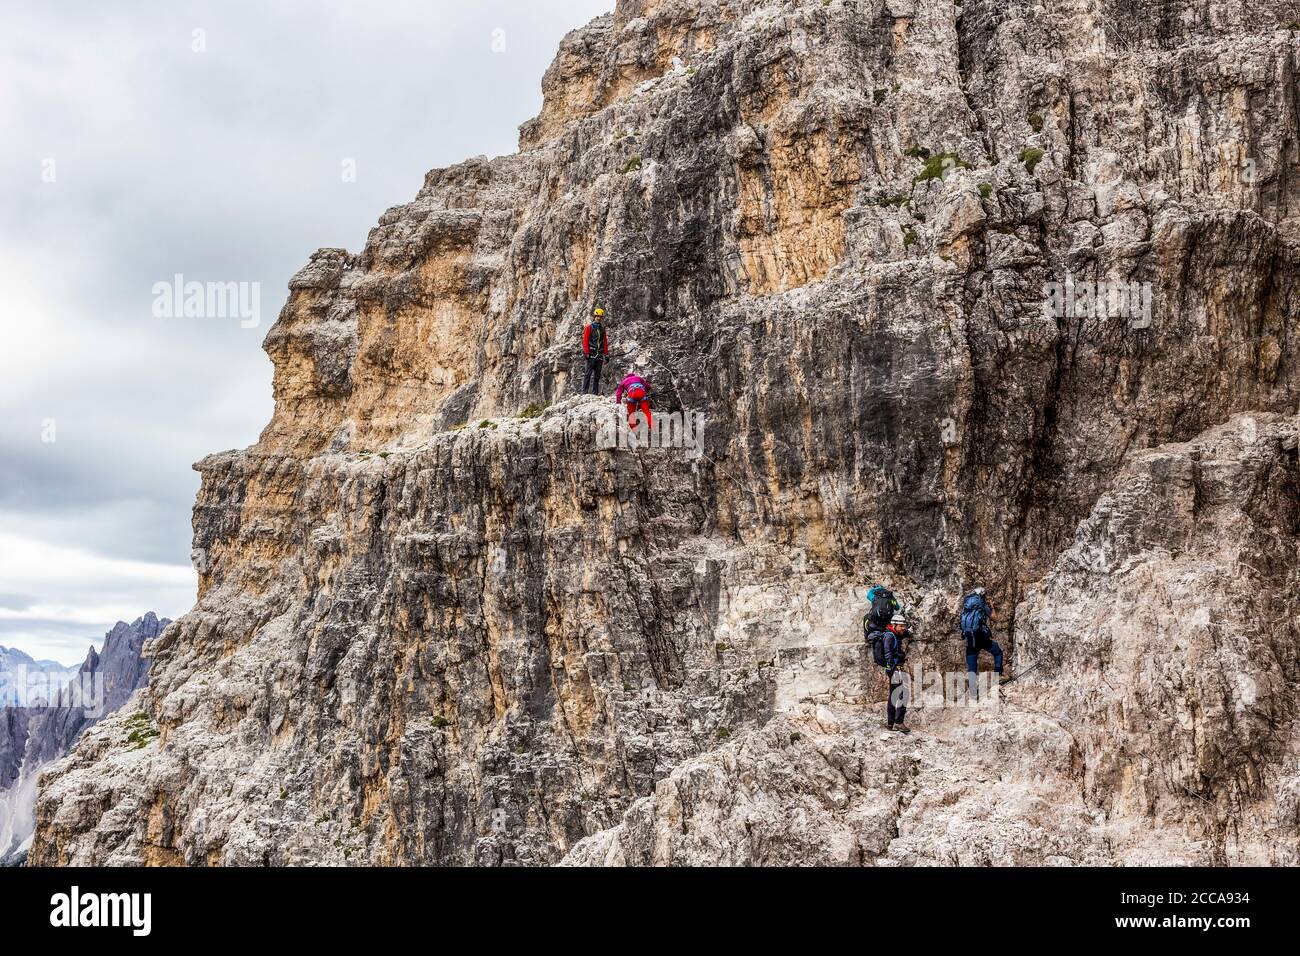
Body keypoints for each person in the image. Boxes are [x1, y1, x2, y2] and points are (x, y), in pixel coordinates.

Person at [864, 605, 909, 733]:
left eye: (903, 626)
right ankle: (898, 723)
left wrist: (907, 632)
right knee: (902, 695)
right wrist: (892, 667)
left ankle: (890, 723)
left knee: (893, 695)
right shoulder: (889, 636)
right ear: (894, 625)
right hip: (895, 669)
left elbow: (903, 634)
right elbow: (888, 653)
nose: (903, 628)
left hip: (894, 668)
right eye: (901, 626)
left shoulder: (894, 634)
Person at [959, 587, 1003, 699]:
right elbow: (994, 618)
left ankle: (973, 692)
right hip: (981, 638)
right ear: (982, 595)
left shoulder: (966, 606)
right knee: (997, 652)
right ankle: (997, 677)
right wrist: (992, 607)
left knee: (972, 666)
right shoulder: (981, 605)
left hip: (970, 639)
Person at [582, 307, 609, 395]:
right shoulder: (589, 327)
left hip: (599, 354)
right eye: (597, 316)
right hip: (591, 353)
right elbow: (585, 340)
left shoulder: (602, 329)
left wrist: (606, 354)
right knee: (588, 374)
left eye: (600, 317)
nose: (599, 318)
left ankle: (595, 393)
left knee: (597, 375)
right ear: (594, 316)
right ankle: (585, 392)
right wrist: (586, 352)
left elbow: (604, 341)